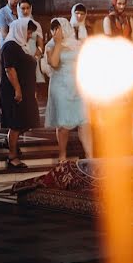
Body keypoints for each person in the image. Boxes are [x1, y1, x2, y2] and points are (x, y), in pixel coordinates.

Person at [45, 18, 91, 161]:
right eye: (53, 29)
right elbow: (54, 63)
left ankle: (91, 156)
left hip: (78, 86)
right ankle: (62, 155)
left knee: (84, 121)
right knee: (63, 123)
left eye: (57, 29)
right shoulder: (50, 45)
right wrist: (58, 42)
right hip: (60, 87)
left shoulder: (77, 44)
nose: (55, 32)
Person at [0, 19, 41, 169]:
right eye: (28, 32)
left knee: (25, 120)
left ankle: (10, 142)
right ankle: (12, 156)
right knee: (16, 123)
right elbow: (9, 69)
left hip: (25, 89)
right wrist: (17, 89)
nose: (29, 35)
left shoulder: (20, 46)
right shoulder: (10, 46)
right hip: (14, 90)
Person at [16, 0, 46, 96]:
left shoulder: (36, 24)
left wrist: (36, 56)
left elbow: (40, 43)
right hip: (19, 55)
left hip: (33, 55)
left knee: (33, 85)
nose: (25, 11)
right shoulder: (15, 24)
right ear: (18, 9)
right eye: (23, 8)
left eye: (27, 8)